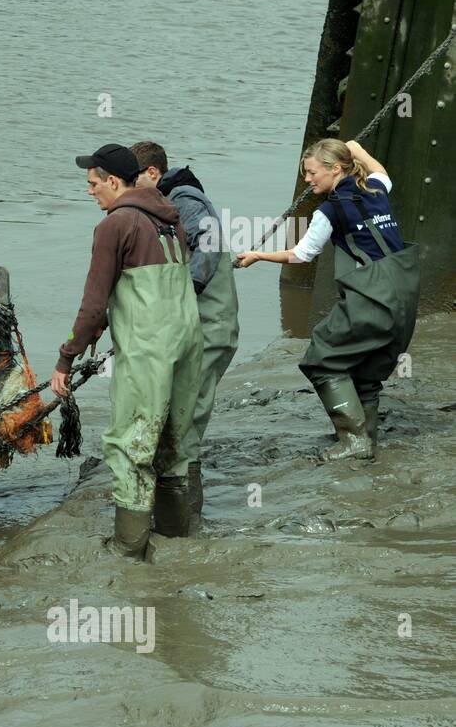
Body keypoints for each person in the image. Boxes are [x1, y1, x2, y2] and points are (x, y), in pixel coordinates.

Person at [51, 144, 203, 560]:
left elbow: (93, 303)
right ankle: (175, 539)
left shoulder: (115, 224)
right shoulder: (171, 219)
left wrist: (66, 357)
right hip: (188, 344)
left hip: (148, 350)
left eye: (93, 183)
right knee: (174, 443)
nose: (90, 191)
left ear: (114, 182)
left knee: (130, 444)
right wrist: (104, 321)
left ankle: (129, 547)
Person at [237, 139, 419, 460]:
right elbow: (381, 172)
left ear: (335, 169)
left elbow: (301, 254)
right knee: (366, 373)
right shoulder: (376, 190)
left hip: (373, 296)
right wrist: (359, 150)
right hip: (405, 296)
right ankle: (367, 437)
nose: (307, 180)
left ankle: (354, 441)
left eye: (311, 172)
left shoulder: (329, 210)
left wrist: (258, 255)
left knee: (321, 359)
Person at [130, 142, 238, 531]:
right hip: (195, 326)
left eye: (133, 180)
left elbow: (207, 245)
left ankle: (184, 518)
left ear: (153, 174)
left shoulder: (186, 199)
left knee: (187, 417)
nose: (130, 189)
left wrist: (184, 293)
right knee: (181, 414)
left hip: (210, 326)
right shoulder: (169, 201)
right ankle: (178, 512)